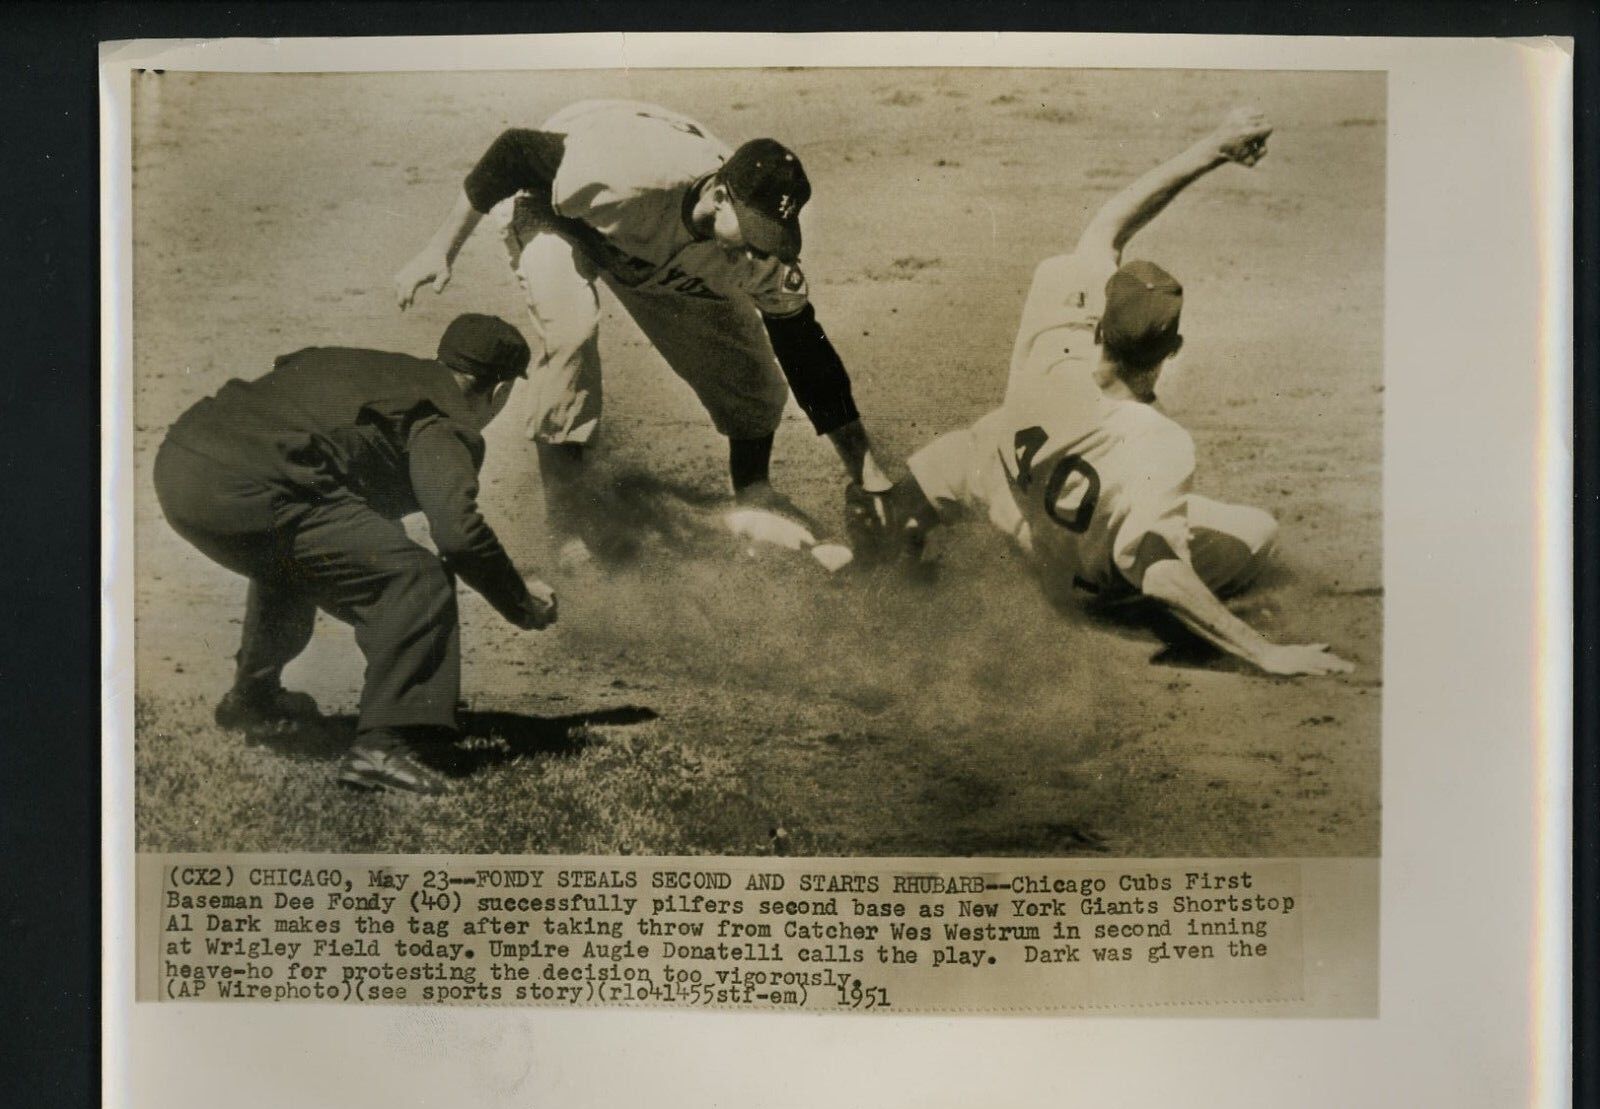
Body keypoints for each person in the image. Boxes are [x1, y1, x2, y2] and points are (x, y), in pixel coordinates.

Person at [856, 109, 1354, 678]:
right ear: (1173, 349)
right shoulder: (1157, 445)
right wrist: (1267, 652)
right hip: (1082, 590)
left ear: (1097, 329)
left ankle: (892, 538)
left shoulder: (1053, 337)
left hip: (1008, 517)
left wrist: (1215, 146)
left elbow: (1107, 227)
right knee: (1257, 533)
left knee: (973, 445)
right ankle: (1154, 630)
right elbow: (1155, 568)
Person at [393, 99, 892, 569]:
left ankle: (755, 498)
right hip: (556, 209)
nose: (761, 251)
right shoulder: (627, 173)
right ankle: (565, 527)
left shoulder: (755, 254)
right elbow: (513, 151)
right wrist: (440, 249)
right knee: (570, 330)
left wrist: (865, 471)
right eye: (756, 233)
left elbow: (808, 355)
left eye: (773, 238)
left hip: (658, 249)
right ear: (719, 196)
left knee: (756, 388)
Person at [153, 314, 559, 795]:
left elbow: (296, 372)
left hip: (181, 462)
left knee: (309, 552)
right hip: (249, 490)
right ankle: (385, 747)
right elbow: (458, 536)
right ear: (498, 392)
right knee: (417, 580)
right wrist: (519, 601)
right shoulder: (445, 420)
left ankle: (253, 700)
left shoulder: (376, 368)